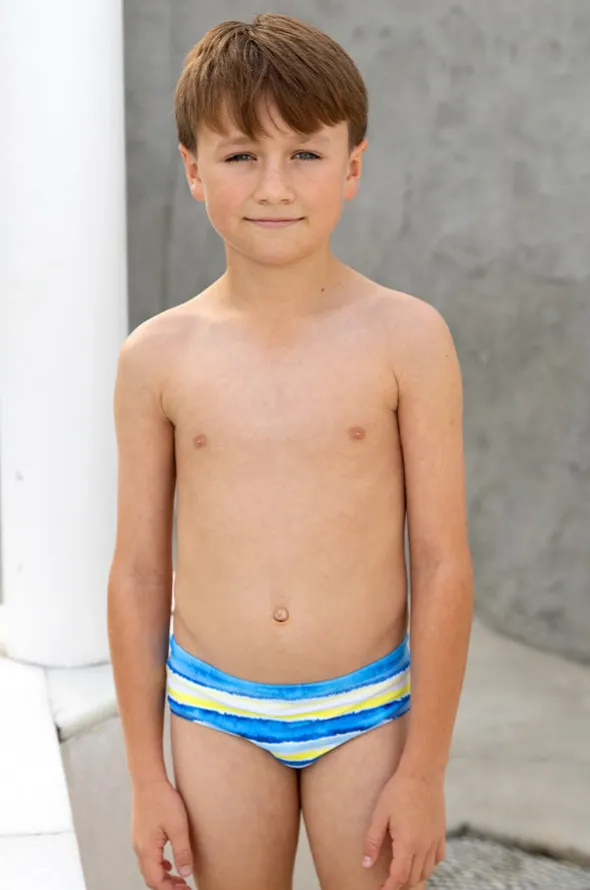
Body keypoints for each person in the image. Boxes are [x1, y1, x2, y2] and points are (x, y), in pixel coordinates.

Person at [107, 12, 474, 890]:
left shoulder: (408, 338)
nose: (274, 186)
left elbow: (442, 561)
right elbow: (140, 571)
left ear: (352, 166)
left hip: (368, 707)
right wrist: (146, 777)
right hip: (215, 713)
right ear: (194, 170)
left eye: (305, 152)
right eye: (241, 155)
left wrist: (423, 773)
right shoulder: (157, 356)